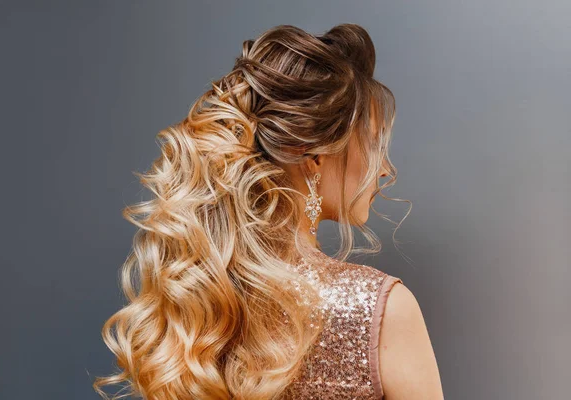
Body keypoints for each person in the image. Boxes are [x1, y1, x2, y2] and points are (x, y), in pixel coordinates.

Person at [93, 23, 443, 400]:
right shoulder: (380, 309)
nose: (386, 168)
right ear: (315, 157)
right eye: (373, 143)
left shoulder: (198, 307)